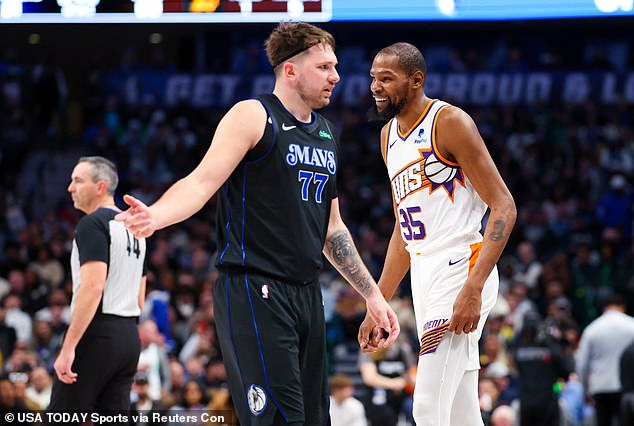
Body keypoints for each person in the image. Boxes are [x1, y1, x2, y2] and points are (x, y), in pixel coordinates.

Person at [115, 22, 399, 425]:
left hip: (306, 293)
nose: (336, 76)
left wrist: (372, 295)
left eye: (334, 66)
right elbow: (201, 182)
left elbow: (332, 229)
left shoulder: (326, 134)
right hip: (254, 287)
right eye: (324, 67)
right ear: (290, 71)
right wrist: (156, 215)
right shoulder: (253, 115)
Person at [358, 42, 516, 426]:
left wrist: (474, 287)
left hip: (462, 264)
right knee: (462, 412)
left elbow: (504, 206)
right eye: (373, 78)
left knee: (426, 407)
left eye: (387, 79)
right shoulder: (388, 138)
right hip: (423, 272)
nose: (376, 87)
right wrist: (378, 302)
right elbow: (402, 229)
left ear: (416, 80)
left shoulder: (448, 122)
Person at [48, 156, 147, 412]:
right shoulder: (136, 227)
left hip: (96, 333)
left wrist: (69, 347)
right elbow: (140, 298)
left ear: (101, 187)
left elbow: (93, 287)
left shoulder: (92, 224)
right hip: (128, 338)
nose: (70, 187)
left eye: (78, 181)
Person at [576, 294, 634, 426]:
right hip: (627, 388)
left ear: (604, 308)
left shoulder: (592, 329)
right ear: (622, 307)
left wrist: (584, 390)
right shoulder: (632, 325)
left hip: (601, 387)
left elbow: (582, 364)